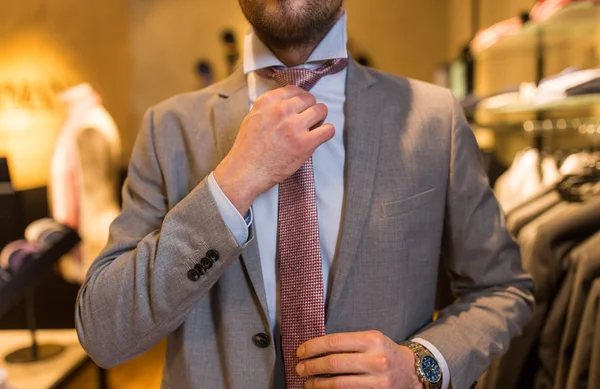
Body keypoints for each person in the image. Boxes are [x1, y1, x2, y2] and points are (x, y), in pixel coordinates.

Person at [75, 1, 535, 388]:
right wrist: (233, 182)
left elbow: (503, 288)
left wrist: (422, 365)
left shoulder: (436, 119)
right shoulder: (166, 130)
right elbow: (104, 334)